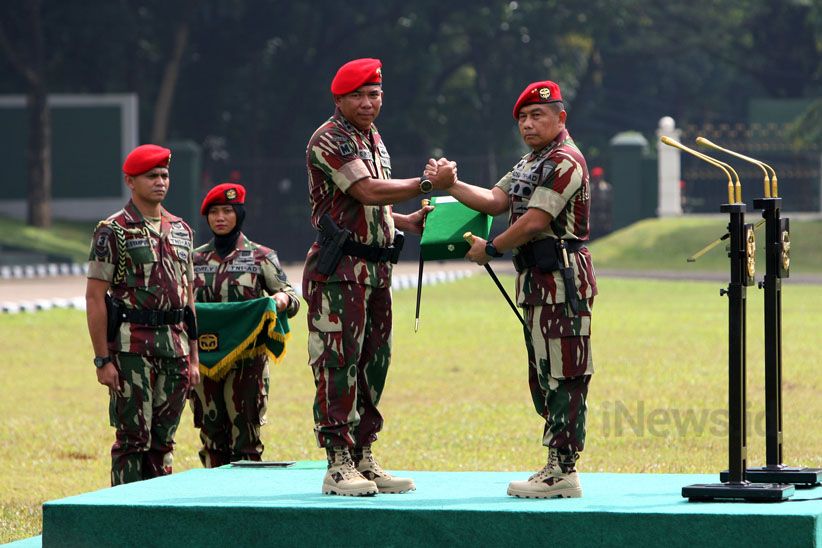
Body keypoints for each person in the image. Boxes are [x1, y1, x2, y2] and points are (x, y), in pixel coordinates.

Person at [427, 80, 597, 499]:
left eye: (537, 115)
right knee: (543, 375)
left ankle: (563, 470)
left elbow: (537, 220)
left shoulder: (565, 161)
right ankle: (555, 465)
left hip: (562, 280)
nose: (527, 123)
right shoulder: (530, 162)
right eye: (522, 117)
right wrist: (451, 185)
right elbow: (494, 201)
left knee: (565, 373)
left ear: (561, 118)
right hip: (536, 283)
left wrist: (494, 248)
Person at [303, 57, 456, 496]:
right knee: (337, 365)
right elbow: (364, 190)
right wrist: (428, 185)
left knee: (374, 364)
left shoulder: (371, 137)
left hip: (376, 270)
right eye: (358, 96)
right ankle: (337, 462)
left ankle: (364, 455)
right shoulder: (330, 138)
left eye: (375, 94)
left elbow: (371, 206)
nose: (368, 103)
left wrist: (408, 222)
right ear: (339, 99)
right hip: (340, 273)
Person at [85, 144, 200, 486]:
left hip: (175, 350)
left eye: (164, 175)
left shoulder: (182, 230)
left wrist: (194, 357)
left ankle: (156, 518)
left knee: (163, 443)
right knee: (133, 440)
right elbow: (94, 297)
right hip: (131, 349)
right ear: (130, 182)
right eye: (151, 176)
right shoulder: (113, 230)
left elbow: (189, 298)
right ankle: (124, 522)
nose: (160, 181)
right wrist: (102, 360)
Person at [189, 182, 300, 467]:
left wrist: (280, 300)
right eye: (214, 212)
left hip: (247, 361)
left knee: (246, 438)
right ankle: (214, 502)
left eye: (227, 211)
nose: (220, 218)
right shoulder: (195, 259)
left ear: (239, 214)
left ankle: (244, 501)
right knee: (211, 436)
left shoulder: (261, 256)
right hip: (204, 360)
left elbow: (291, 295)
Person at [589, 166, 613, 239]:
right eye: (595, 177)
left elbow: (609, 206)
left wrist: (609, 221)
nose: (597, 179)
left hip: (603, 219)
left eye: (598, 176)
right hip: (592, 220)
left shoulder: (607, 188)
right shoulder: (589, 189)